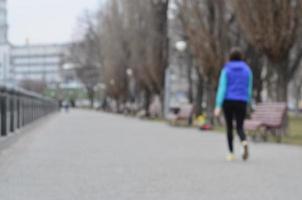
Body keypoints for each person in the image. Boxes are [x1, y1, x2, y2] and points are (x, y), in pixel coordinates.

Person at [214, 48, 253, 161]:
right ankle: (243, 141)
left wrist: (218, 105)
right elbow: (248, 88)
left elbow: (222, 87)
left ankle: (231, 153)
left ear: (230, 57)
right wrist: (248, 100)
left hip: (228, 101)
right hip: (242, 100)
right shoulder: (247, 70)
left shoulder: (226, 69)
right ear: (241, 57)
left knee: (229, 127)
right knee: (240, 126)